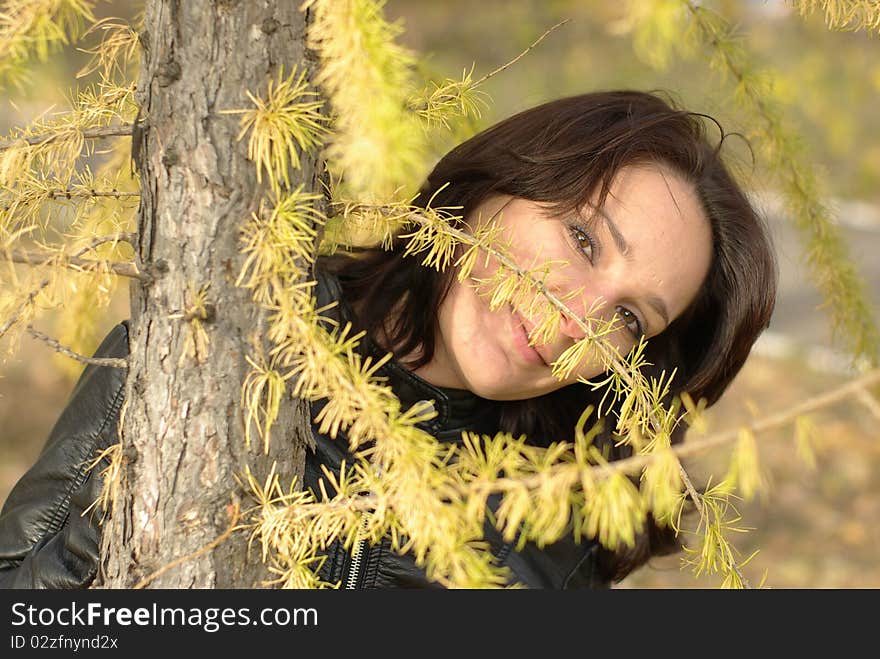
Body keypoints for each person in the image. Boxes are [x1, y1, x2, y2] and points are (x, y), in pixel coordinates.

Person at [0, 90, 777, 589]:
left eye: (630, 318)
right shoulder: (222, 336)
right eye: (582, 239)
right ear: (494, 186)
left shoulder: (560, 531)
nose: (577, 319)